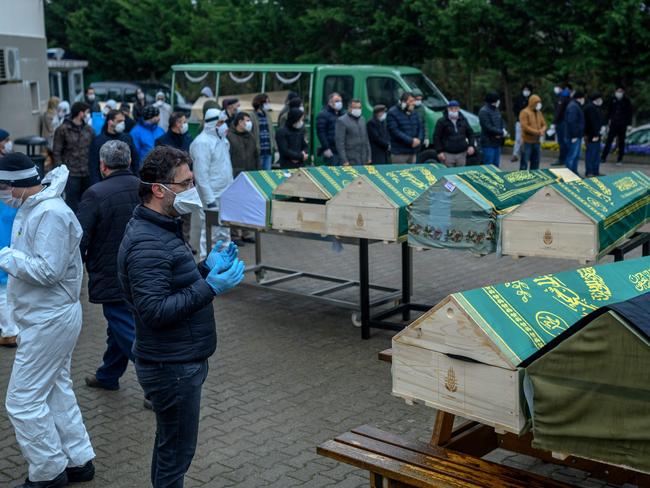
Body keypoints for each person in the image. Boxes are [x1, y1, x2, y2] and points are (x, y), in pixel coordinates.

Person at [118, 146, 245, 488]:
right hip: (171, 366)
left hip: (178, 359)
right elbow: (154, 310)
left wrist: (206, 268)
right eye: (186, 183)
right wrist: (211, 287)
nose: (193, 190)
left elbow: (173, 282)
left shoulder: (163, 226)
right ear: (159, 189)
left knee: (171, 445)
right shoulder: (148, 242)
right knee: (177, 453)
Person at [0, 153, 95, 488]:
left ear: (17, 184)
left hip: (50, 319)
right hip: (44, 317)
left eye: (2, 186)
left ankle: (49, 471)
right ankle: (78, 459)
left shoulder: (51, 213)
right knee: (56, 390)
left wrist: (4, 256)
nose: (1, 194)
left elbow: (47, 270)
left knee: (22, 401)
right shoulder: (35, 207)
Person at [76, 141, 142, 396]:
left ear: (102, 165)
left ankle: (157, 386)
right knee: (119, 326)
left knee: (125, 328)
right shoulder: (144, 188)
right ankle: (108, 375)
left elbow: (81, 239)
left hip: (110, 273)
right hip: (140, 269)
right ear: (129, 162)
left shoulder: (95, 193)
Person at [190, 108, 233, 257]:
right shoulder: (202, 143)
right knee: (209, 232)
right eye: (220, 122)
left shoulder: (222, 140)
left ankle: (225, 264)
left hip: (225, 194)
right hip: (212, 196)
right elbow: (201, 175)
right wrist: (209, 199)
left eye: (224, 122)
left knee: (224, 230)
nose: (224, 126)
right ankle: (205, 264)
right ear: (211, 123)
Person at [156, 112, 194, 245]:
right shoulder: (162, 140)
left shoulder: (188, 138)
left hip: (187, 183)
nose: (185, 124)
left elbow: (191, 160)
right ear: (176, 123)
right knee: (170, 212)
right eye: (183, 121)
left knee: (186, 213)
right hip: (171, 183)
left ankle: (185, 242)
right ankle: (171, 241)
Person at [53, 101, 94, 212]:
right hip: (71, 173)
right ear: (81, 113)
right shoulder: (63, 129)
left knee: (88, 202)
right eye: (87, 112)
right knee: (72, 203)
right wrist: (61, 171)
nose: (88, 114)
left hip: (87, 173)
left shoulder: (89, 130)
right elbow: (56, 152)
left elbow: (94, 149)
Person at [89, 109, 139, 185]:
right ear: (110, 122)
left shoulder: (127, 138)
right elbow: (93, 166)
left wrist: (136, 178)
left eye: (123, 121)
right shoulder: (98, 141)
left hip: (127, 181)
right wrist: (97, 185)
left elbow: (135, 160)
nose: (122, 123)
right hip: (106, 183)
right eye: (119, 121)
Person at [433, 100, 476, 167]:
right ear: (448, 109)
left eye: (455, 108)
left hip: (462, 154)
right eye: (451, 108)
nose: (453, 110)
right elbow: (436, 137)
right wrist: (439, 151)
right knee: (448, 175)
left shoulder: (463, 120)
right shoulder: (441, 121)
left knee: (460, 174)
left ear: (458, 109)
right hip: (447, 154)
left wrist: (471, 145)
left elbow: (470, 133)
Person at [0, 199, 18, 348]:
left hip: (3, 247)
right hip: (12, 246)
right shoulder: (12, 197)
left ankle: (9, 332)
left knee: (2, 293)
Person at [387, 92, 423, 164]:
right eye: (411, 101)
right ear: (403, 102)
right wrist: (411, 141)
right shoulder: (392, 113)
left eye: (414, 101)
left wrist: (419, 139)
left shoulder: (414, 112)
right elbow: (395, 131)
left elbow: (421, 127)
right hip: (399, 153)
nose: (413, 103)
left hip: (413, 151)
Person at [601, 86, 633, 165]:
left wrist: (629, 124)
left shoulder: (626, 100)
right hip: (613, 124)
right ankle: (603, 157)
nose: (619, 93)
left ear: (623, 92)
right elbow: (608, 112)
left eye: (620, 91)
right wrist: (605, 123)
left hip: (622, 124)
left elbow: (629, 113)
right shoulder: (612, 99)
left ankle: (620, 159)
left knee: (621, 142)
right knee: (609, 141)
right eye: (618, 91)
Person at [334, 99, 371, 166]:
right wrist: (344, 160)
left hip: (363, 159)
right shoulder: (342, 121)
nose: (358, 110)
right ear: (349, 108)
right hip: (350, 159)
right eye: (355, 108)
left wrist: (369, 157)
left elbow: (366, 140)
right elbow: (340, 143)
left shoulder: (362, 119)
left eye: (359, 108)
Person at [518, 94, 547, 170]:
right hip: (527, 142)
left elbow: (544, 124)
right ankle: (522, 179)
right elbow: (525, 127)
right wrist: (538, 132)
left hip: (537, 142)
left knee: (536, 163)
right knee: (524, 163)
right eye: (537, 103)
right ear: (532, 103)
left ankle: (534, 180)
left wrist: (542, 130)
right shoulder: (524, 112)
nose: (538, 105)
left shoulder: (539, 113)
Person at [478, 92, 506, 167]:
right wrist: (500, 132)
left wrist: (503, 129)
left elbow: (501, 121)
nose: (499, 102)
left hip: (497, 143)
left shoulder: (496, 110)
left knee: (496, 165)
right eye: (498, 100)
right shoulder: (483, 111)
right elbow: (487, 127)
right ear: (494, 101)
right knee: (488, 166)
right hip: (488, 143)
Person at [316, 92, 343, 165]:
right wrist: (326, 148)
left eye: (340, 101)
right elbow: (321, 133)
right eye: (337, 101)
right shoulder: (323, 114)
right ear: (330, 102)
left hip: (341, 150)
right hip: (331, 150)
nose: (339, 103)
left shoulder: (342, 115)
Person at [250, 93, 275, 170]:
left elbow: (271, 132)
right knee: (258, 174)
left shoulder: (267, 115)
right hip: (258, 151)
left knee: (268, 174)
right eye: (266, 102)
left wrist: (274, 146)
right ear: (260, 103)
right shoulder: (252, 116)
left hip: (268, 150)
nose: (268, 104)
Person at [564, 91, 586, 174]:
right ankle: (569, 175)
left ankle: (574, 173)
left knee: (576, 156)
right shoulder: (574, 106)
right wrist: (574, 135)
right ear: (580, 98)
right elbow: (571, 122)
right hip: (573, 136)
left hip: (576, 135)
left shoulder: (576, 106)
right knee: (571, 156)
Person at [584, 92, 605, 177]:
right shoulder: (590, 108)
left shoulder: (597, 107)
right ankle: (589, 172)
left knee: (596, 154)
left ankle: (595, 171)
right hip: (592, 135)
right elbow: (592, 122)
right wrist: (595, 133)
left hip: (597, 134)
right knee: (591, 154)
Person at [511, 83, 532, 163]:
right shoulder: (518, 98)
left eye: (527, 90)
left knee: (529, 139)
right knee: (518, 139)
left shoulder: (531, 99)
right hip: (519, 121)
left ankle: (528, 155)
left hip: (530, 123)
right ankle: (515, 154)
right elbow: (515, 109)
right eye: (524, 89)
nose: (526, 91)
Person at [551, 85, 572, 166]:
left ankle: (562, 159)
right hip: (564, 122)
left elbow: (558, 111)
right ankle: (564, 159)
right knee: (564, 141)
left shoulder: (562, 97)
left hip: (561, 122)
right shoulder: (566, 97)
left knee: (562, 142)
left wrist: (554, 122)